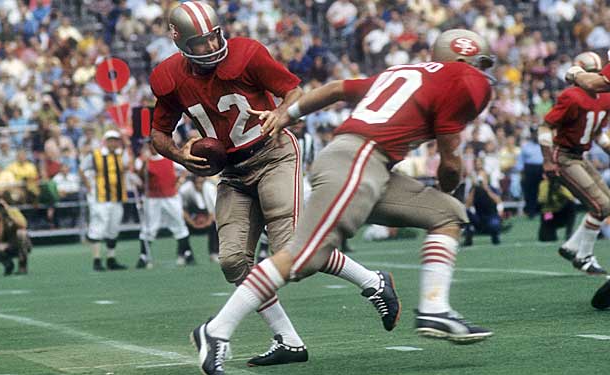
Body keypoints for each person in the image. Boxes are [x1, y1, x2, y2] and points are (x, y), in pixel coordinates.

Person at [191, 29, 495, 375]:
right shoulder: (466, 79)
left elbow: (336, 90)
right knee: (303, 256)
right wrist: (450, 183)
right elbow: (450, 160)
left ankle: (434, 308)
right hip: (359, 160)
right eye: (480, 63)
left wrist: (288, 114)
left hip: (366, 163)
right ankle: (216, 330)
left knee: (446, 214)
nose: (482, 71)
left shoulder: (404, 72)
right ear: (466, 60)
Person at [150, 2, 398, 366]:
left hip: (273, 154)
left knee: (292, 252)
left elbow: (295, 92)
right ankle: (288, 339)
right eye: (201, 42)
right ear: (178, 40)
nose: (212, 46)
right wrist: (179, 155)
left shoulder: (247, 53)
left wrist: (282, 114)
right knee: (233, 261)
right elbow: (158, 134)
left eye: (215, 36)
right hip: (233, 173)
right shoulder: (169, 76)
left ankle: (373, 281)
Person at [539, 51, 610, 275]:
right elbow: (545, 127)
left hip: (579, 156)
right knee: (602, 206)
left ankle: (571, 247)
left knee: (606, 203)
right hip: (564, 156)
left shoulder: (604, 97)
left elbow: (597, 132)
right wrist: (548, 160)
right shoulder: (571, 97)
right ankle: (584, 256)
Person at [134, 141, 196, 269]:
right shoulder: (143, 161)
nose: (152, 148)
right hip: (152, 198)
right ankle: (144, 255)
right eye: (150, 145)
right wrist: (144, 165)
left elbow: (185, 168)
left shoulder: (169, 159)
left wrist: (179, 182)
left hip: (170, 196)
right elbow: (140, 178)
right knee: (149, 227)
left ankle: (186, 252)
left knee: (178, 223)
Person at [79, 130, 128, 272]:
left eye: (115, 140)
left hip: (117, 197)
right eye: (111, 140)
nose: (113, 143)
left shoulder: (120, 154)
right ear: (106, 141)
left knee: (113, 228)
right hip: (101, 197)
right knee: (98, 227)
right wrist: (88, 186)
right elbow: (82, 168)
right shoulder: (96, 154)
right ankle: (96, 260)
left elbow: (126, 167)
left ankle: (111, 259)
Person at [179, 174, 219, 263]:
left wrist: (208, 222)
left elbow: (214, 209)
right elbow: (182, 210)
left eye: (201, 183)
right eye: (197, 183)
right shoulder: (185, 190)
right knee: (181, 229)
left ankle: (214, 253)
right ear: (193, 182)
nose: (199, 185)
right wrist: (192, 223)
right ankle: (184, 254)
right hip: (191, 221)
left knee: (216, 225)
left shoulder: (210, 189)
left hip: (208, 221)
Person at [464, 158, 504, 246]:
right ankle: (468, 235)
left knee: (495, 223)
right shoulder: (474, 190)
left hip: (491, 216)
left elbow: (498, 201)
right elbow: (467, 205)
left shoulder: (492, 189)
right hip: (479, 217)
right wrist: (474, 189)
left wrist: (486, 188)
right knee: (464, 213)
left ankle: (495, 235)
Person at [0, 199, 31, 276]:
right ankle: (8, 265)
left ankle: (22, 265)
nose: (1, 210)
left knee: (21, 233)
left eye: (2, 208)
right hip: (6, 246)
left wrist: (10, 215)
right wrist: (0, 221)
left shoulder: (14, 212)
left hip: (20, 244)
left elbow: (23, 225)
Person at [537, 176, 576, 242]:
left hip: (562, 213)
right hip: (549, 213)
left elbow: (571, 198)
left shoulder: (562, 184)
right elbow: (541, 200)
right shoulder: (543, 184)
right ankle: (550, 230)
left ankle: (569, 231)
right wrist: (549, 190)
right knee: (545, 238)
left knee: (571, 205)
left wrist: (560, 190)